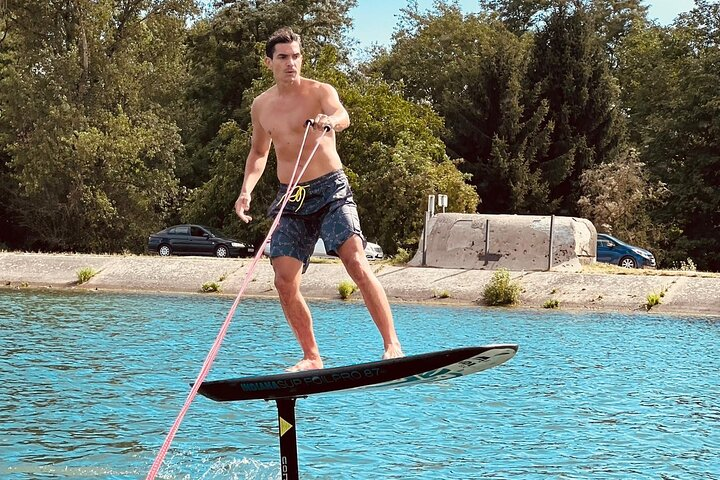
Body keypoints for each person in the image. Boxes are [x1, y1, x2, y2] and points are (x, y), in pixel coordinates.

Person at [234, 27, 403, 372]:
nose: (290, 63)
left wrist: (331, 121)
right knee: (283, 279)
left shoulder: (320, 92)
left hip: (330, 191)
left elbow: (343, 115)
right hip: (291, 198)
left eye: (295, 56)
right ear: (269, 62)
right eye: (283, 57)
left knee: (355, 260)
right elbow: (258, 152)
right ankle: (312, 357)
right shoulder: (261, 106)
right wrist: (246, 189)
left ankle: (392, 345)